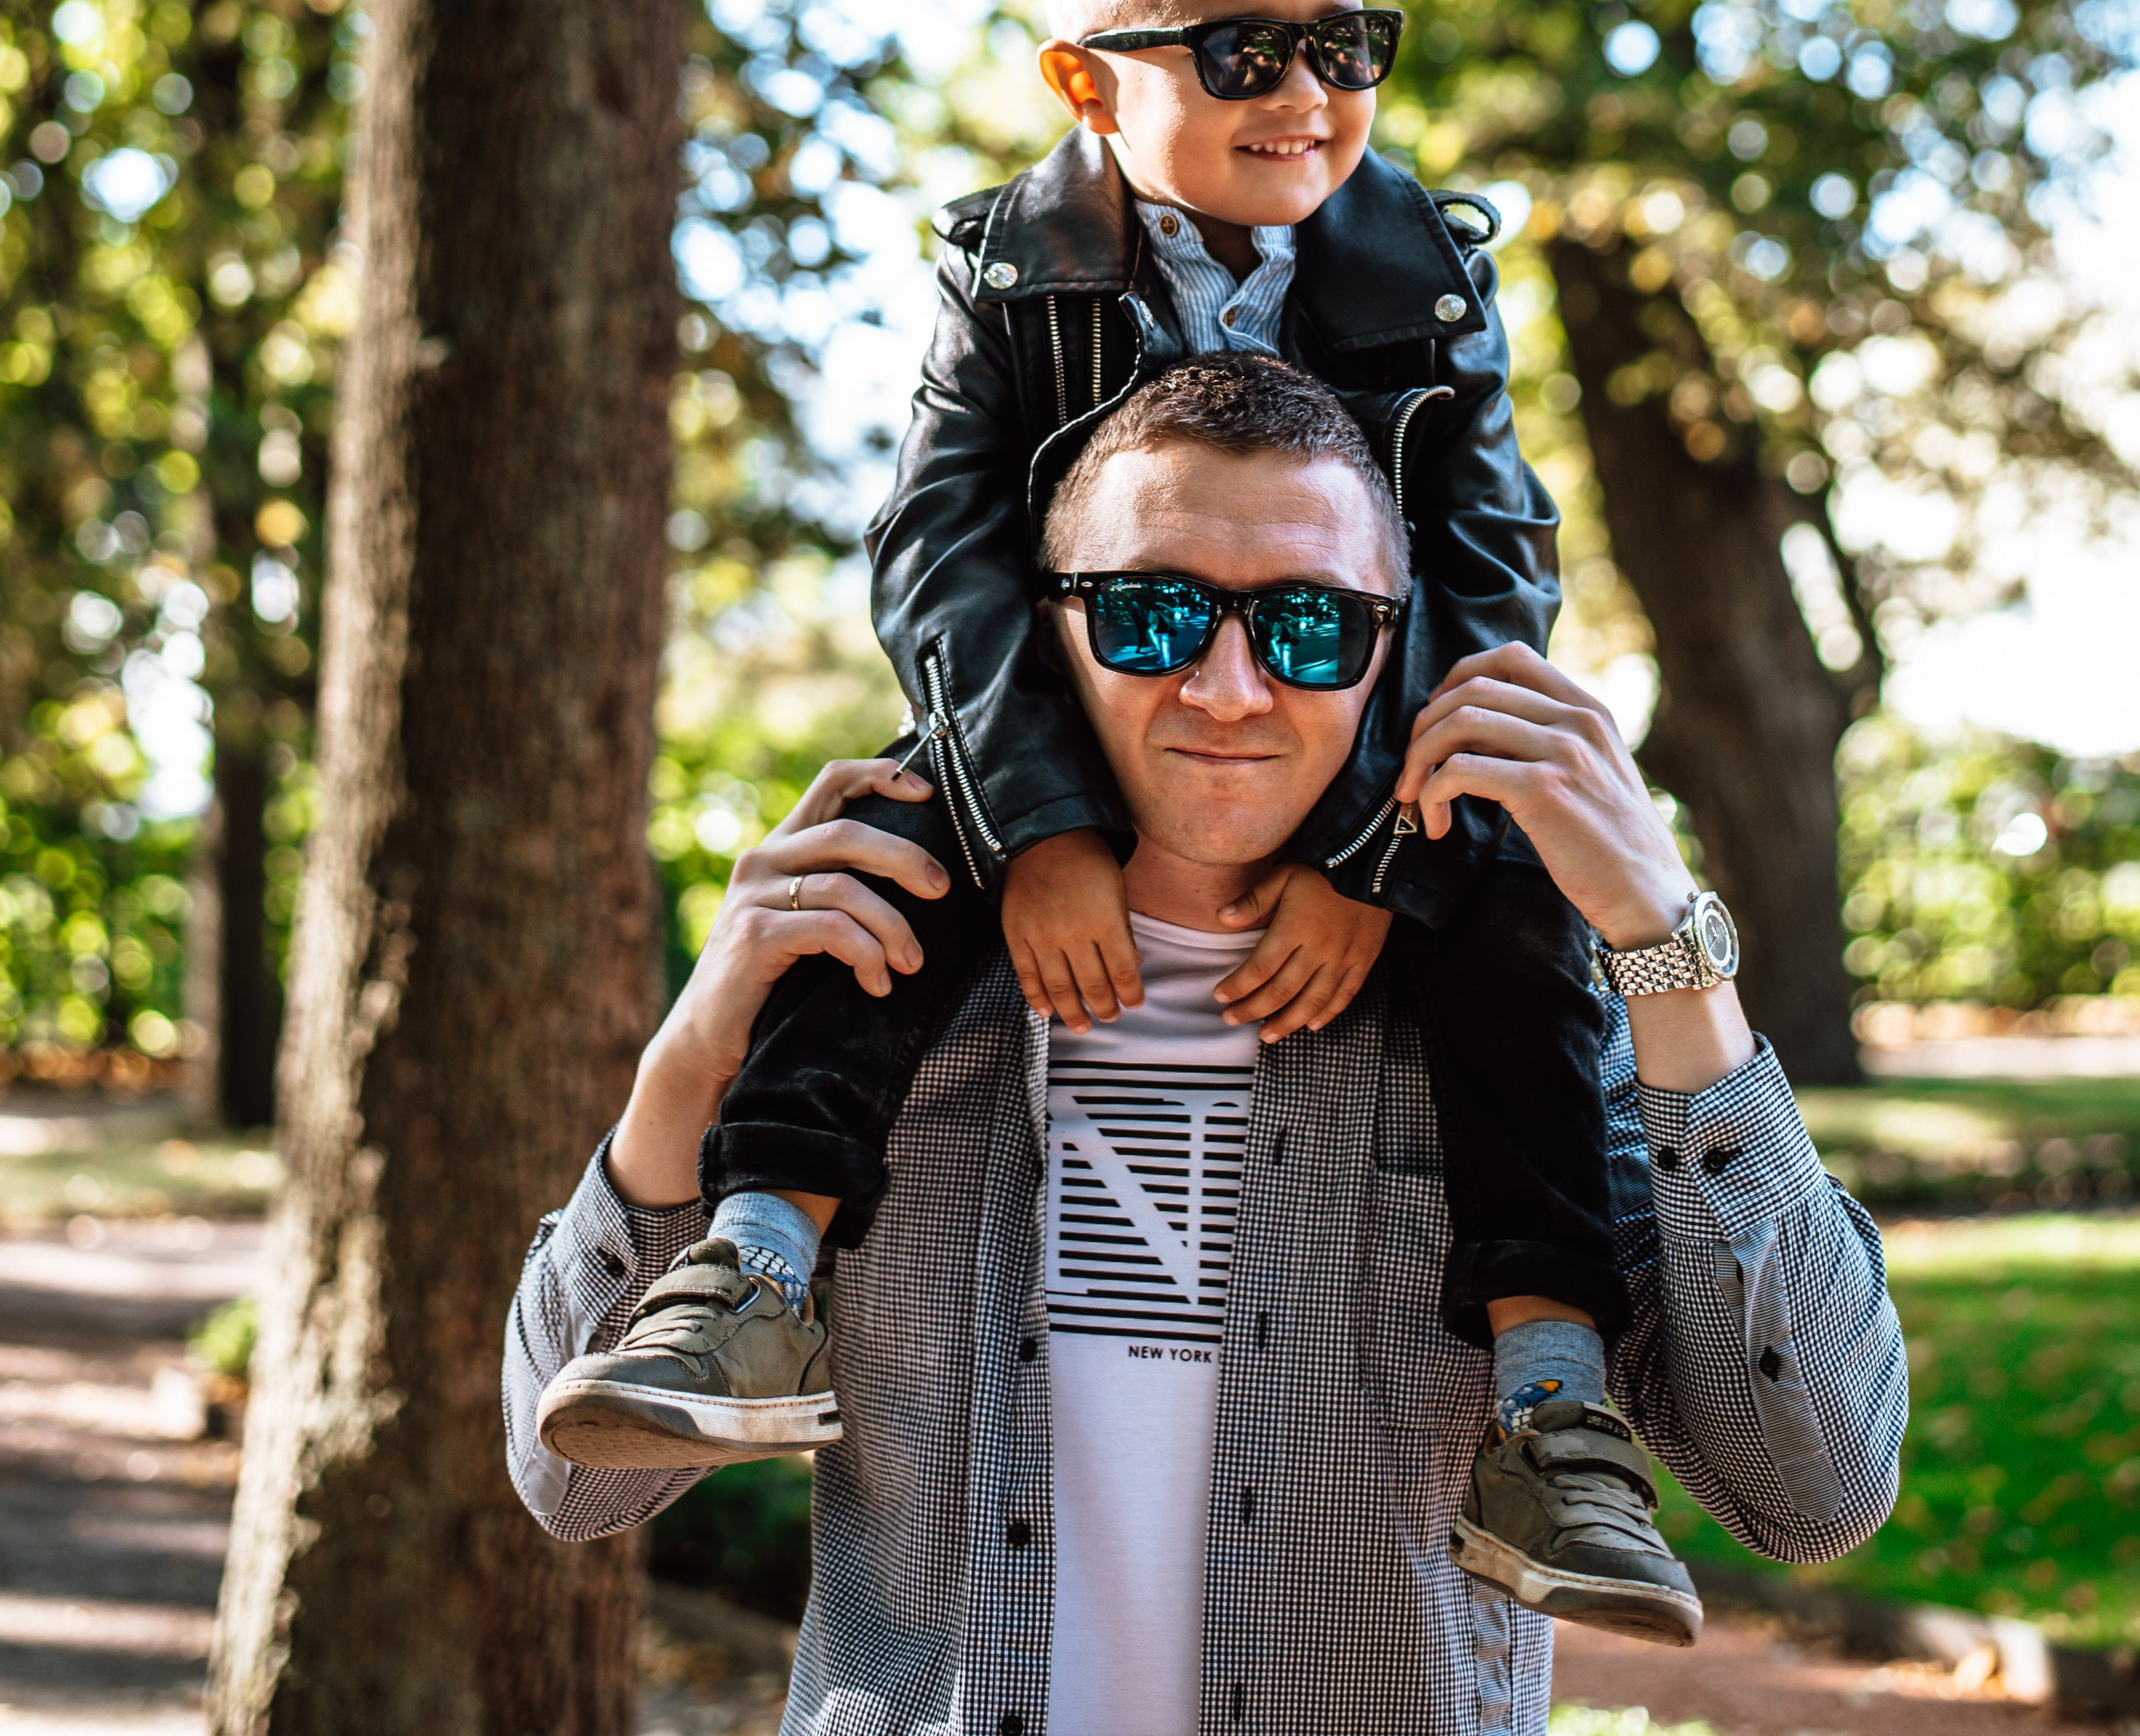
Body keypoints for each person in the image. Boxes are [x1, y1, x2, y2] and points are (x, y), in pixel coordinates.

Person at [537, 0, 1697, 1630]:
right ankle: (755, 1267)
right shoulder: (1007, 268)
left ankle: (1550, 1404)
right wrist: (1041, 837)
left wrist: (1374, 854)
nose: (1307, 90)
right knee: (878, 858)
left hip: (1355, 748)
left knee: (1512, 905)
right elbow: (936, 550)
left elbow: (1487, 559)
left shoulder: (1425, 272)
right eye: (1244, 48)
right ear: (1088, 84)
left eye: (1346, 42)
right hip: (1049, 746)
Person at [507, 357, 1907, 1736]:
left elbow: (1815, 1492)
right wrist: (694, 1052)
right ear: (1043, 634)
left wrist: (1665, 950)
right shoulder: (873, 1004)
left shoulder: (1512, 1040)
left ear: (1391, 646)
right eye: (1150, 615)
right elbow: (573, 1488)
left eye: (1307, 626)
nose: (1229, 687)